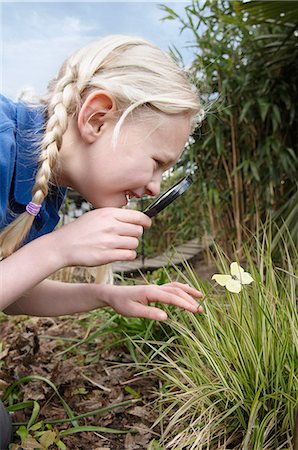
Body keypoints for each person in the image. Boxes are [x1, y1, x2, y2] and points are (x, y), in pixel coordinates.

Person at [0, 35, 205, 447]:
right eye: (157, 163)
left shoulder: (47, 192)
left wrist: (106, 295)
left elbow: (12, 290)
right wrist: (57, 249)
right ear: (96, 118)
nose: (154, 186)